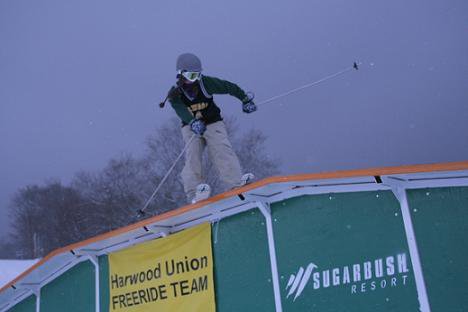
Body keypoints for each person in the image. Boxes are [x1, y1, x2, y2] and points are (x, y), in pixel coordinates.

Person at [167, 53, 257, 203]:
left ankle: (235, 183)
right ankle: (193, 192)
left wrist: (245, 99)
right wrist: (192, 121)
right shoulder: (175, 94)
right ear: (181, 74)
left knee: (222, 148)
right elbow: (180, 110)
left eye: (197, 74)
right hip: (191, 126)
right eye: (191, 75)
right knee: (192, 155)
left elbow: (229, 87)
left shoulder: (206, 83)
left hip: (212, 121)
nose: (194, 79)